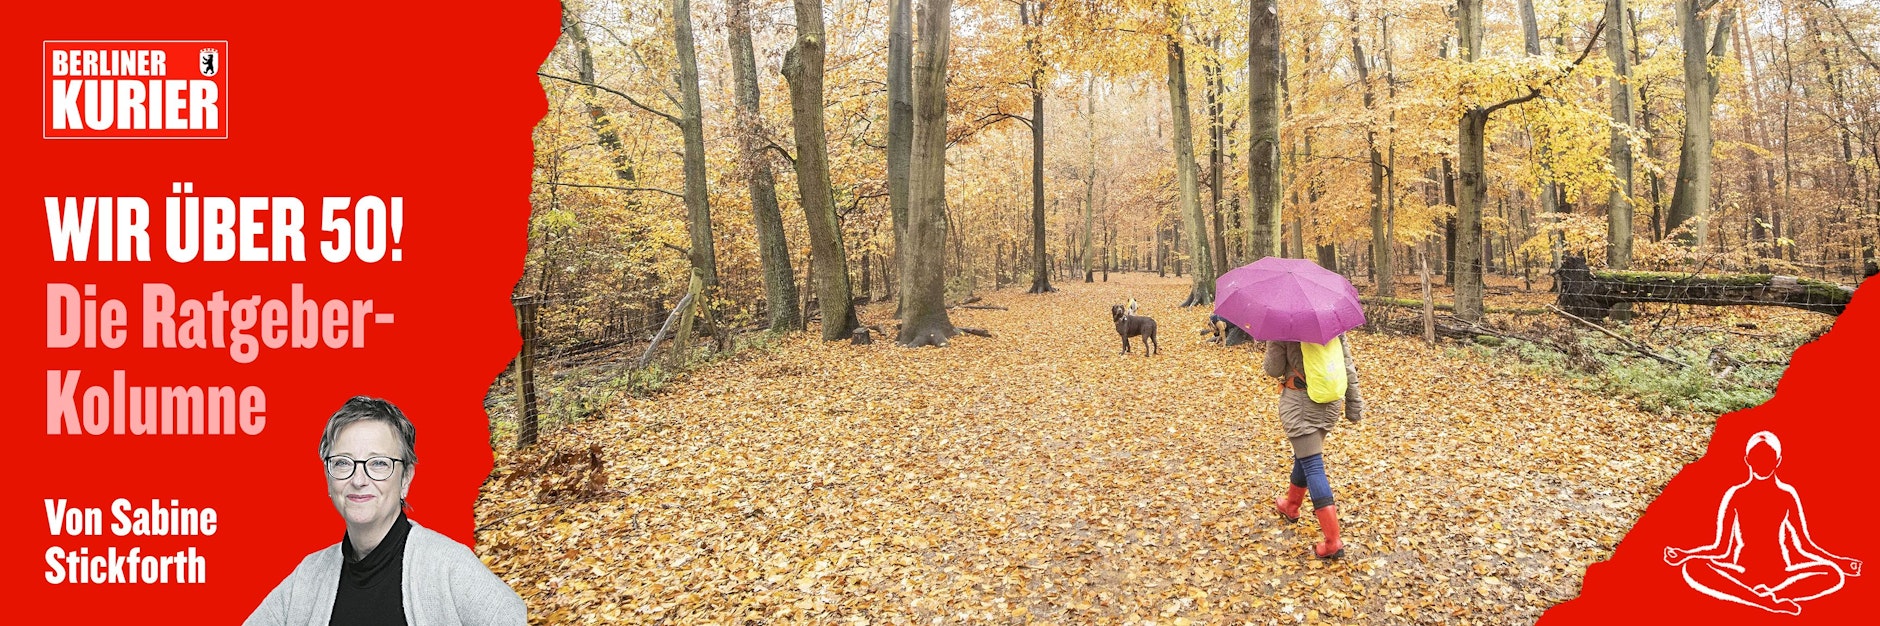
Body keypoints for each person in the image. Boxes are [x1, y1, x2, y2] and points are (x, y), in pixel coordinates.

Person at [246, 397, 526, 625]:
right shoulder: (309, 576)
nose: (358, 479)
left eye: (379, 463)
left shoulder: (448, 566)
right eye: (343, 463)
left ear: (405, 479)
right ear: (328, 477)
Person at [1664, 431, 1861, 615]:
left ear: (1777, 460)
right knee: (1693, 566)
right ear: (1748, 460)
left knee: (1833, 574)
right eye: (1757, 457)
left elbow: (1804, 545)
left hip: (1780, 574)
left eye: (1768, 457)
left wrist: (1840, 563)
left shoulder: (1786, 495)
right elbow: (1721, 549)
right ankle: (1764, 602)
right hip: (1743, 572)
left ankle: (1768, 597)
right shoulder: (1737, 495)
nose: (1762, 463)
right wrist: (1685, 555)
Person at [1265, 336, 1363, 558]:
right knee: (1306, 454)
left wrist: (1273, 341)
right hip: (1330, 402)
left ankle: (1332, 541)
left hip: (1301, 406)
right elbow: (1346, 363)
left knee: (1312, 464)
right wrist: (1354, 403)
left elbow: (1273, 369)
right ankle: (1291, 506)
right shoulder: (1331, 324)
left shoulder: (1283, 327)